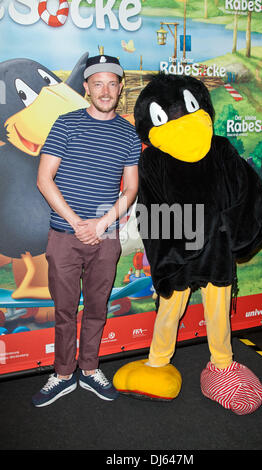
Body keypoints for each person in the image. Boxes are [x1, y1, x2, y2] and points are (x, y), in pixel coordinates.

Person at [32, 55, 141, 407]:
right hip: (64, 236)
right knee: (64, 310)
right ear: (86, 87)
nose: (105, 90)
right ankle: (63, 374)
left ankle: (90, 368)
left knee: (97, 308)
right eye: (98, 83)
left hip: (105, 238)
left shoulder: (128, 133)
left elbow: (130, 189)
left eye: (112, 83)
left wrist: (101, 224)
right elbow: (44, 179)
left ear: (120, 87)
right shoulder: (65, 124)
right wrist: (79, 223)